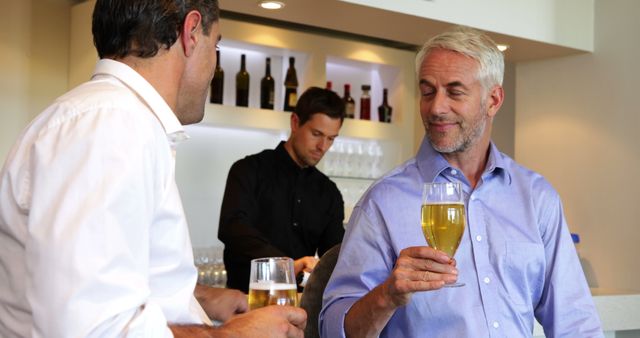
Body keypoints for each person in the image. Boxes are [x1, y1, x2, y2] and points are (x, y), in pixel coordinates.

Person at [0, 0, 305, 337]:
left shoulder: (100, 118)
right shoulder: (113, 126)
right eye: (215, 44)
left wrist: (199, 297)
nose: (214, 64)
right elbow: (94, 329)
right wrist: (233, 334)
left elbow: (93, 279)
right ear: (190, 32)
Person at [320, 26, 603, 337]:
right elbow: (333, 329)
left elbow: (575, 323)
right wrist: (386, 295)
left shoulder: (536, 197)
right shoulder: (383, 201)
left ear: (493, 100)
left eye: (455, 92)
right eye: (427, 91)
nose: (436, 107)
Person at [219, 87, 346, 293]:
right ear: (295, 122)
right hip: (245, 302)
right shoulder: (249, 170)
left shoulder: (329, 193)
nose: (323, 146)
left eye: (331, 138)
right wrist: (285, 266)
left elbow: (334, 255)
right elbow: (232, 229)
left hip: (297, 308)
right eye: (316, 134)